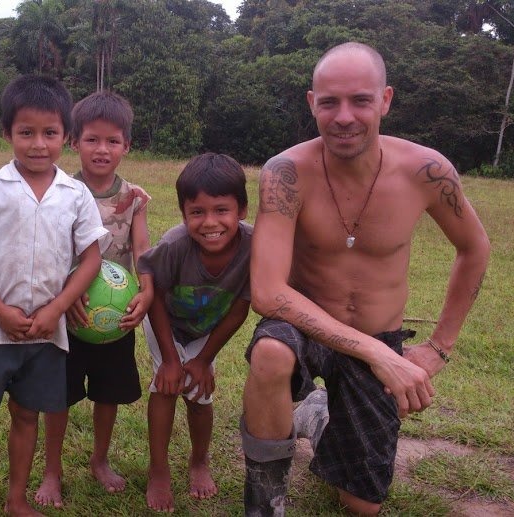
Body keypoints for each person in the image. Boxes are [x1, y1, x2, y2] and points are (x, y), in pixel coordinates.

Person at [241, 41, 490, 516]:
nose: (344, 116)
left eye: (361, 100)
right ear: (312, 103)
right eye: (330, 102)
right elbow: (268, 292)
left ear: (386, 100)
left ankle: (315, 415)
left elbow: (474, 248)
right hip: (307, 327)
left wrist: (438, 347)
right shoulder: (285, 173)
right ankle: (264, 502)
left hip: (379, 329)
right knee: (272, 353)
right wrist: (380, 356)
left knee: (362, 505)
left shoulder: (426, 171)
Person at [0, 74, 108, 517]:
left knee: (27, 417)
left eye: (50, 133)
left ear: (65, 137)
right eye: (25, 132)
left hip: (47, 336)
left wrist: (57, 308)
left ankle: (16, 500)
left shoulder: (75, 194)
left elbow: (91, 257)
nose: (38, 144)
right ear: (6, 133)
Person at [34, 91, 153, 508]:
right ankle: (52, 470)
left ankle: (99, 460)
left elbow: (142, 250)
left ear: (127, 146)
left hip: (112, 320)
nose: (102, 150)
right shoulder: (59, 191)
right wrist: (63, 298)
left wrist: (148, 289)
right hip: (68, 314)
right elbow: (49, 252)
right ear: (74, 142)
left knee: (108, 394)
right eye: (92, 140)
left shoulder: (134, 197)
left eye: (113, 141)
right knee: (58, 396)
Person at [137, 153, 253, 512]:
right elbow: (152, 295)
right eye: (197, 212)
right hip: (163, 321)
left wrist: (203, 360)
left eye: (222, 210)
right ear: (184, 213)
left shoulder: (254, 247)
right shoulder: (174, 245)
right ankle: (159, 470)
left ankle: (199, 461)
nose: (210, 222)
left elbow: (239, 307)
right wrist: (171, 360)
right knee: (166, 386)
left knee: (200, 395)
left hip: (208, 330)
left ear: (243, 210)